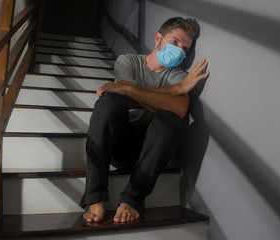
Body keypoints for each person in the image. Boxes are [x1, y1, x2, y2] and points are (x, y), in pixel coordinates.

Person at [80, 17, 209, 223]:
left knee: (171, 118)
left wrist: (132, 91)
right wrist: (173, 92)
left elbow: (180, 108)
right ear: (158, 37)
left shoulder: (178, 76)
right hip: (120, 145)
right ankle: (94, 196)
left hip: (153, 150)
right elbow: (122, 97)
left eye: (185, 48)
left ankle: (133, 199)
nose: (180, 51)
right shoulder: (128, 61)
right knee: (109, 102)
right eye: (174, 42)